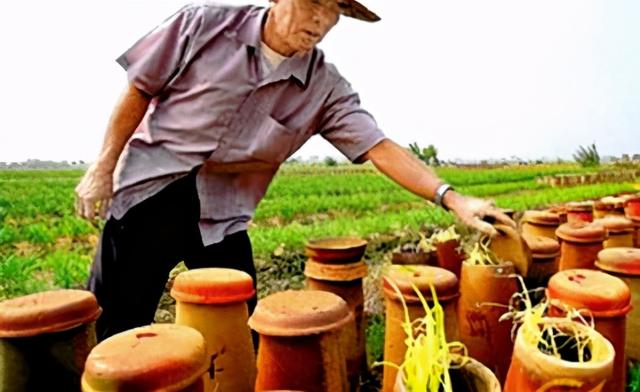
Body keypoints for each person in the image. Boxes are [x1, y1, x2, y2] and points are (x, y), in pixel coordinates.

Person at [75, 0, 515, 341]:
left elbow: (378, 146)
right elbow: (139, 88)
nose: (321, 20)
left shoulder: (324, 87)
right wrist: (102, 167)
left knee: (237, 324)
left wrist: (453, 198)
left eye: (334, 10)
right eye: (313, 2)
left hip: (222, 213)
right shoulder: (202, 24)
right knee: (119, 326)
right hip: (151, 193)